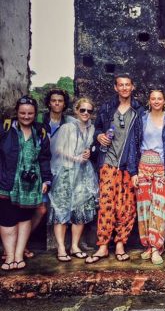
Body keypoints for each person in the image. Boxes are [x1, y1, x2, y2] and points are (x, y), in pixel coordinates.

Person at [86, 74, 144, 263]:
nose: (125, 88)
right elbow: (96, 129)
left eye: (128, 84)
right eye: (121, 85)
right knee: (106, 205)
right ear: (116, 88)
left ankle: (120, 244)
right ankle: (103, 246)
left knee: (126, 207)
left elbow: (141, 139)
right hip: (108, 162)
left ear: (132, 87)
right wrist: (99, 136)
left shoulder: (139, 111)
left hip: (129, 164)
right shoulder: (107, 108)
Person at [0, 96, 52, 270]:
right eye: (22, 113)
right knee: (8, 220)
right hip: (7, 182)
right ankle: (9, 257)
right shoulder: (6, 128)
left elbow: (44, 158)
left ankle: (18, 255)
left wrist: (46, 179)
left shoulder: (40, 131)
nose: (26, 116)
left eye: (30, 113)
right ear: (17, 112)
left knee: (24, 219)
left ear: (35, 114)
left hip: (30, 184)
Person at [48, 98, 98, 262]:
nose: (85, 113)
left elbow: (90, 149)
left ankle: (75, 245)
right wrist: (75, 158)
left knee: (80, 209)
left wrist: (88, 154)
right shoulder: (67, 127)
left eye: (89, 111)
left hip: (83, 173)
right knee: (61, 208)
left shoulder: (92, 129)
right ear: (76, 111)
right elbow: (58, 149)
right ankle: (61, 247)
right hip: (66, 172)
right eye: (82, 110)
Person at [28, 89, 76, 257]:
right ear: (49, 102)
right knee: (34, 208)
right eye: (54, 100)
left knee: (51, 208)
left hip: (60, 170)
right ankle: (21, 244)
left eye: (60, 101)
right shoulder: (39, 120)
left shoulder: (69, 122)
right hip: (39, 168)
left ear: (64, 104)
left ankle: (25, 244)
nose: (56, 103)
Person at [135, 89, 165, 265]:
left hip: (162, 167)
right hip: (143, 167)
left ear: (164, 101)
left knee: (159, 208)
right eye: (153, 98)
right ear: (149, 100)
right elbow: (133, 143)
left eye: (159, 98)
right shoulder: (141, 119)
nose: (156, 101)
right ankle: (147, 245)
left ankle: (156, 248)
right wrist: (133, 172)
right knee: (144, 208)